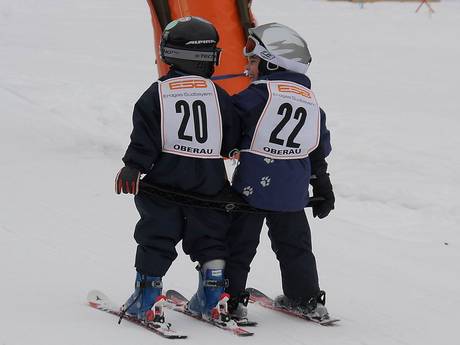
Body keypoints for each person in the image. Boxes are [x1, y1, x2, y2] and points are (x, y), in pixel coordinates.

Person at [114, 16, 240, 325]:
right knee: (210, 235)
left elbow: (145, 138)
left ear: (170, 53)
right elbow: (230, 141)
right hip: (209, 182)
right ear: (207, 58)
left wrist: (133, 166)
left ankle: (146, 298)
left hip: (166, 182)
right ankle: (212, 297)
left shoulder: (157, 94)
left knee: (158, 235)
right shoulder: (219, 96)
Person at [224, 23, 335, 322]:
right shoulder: (312, 103)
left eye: (253, 61)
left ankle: (229, 300)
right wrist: (323, 186)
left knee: (239, 244)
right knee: (295, 246)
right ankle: (306, 298)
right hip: (292, 190)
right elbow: (317, 148)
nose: (248, 67)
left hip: (250, 190)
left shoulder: (255, 97)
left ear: (272, 64)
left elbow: (228, 129)